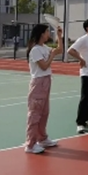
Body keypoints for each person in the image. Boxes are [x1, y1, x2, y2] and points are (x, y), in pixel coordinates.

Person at [25, 24, 64, 154]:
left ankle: (42, 138)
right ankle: (30, 144)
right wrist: (51, 56)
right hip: (38, 82)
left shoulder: (44, 47)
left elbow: (60, 50)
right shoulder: (35, 50)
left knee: (44, 112)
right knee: (35, 113)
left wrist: (59, 36)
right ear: (42, 33)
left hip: (46, 81)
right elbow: (44, 66)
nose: (48, 34)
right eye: (47, 31)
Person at [67, 18, 88, 134]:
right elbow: (70, 50)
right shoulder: (83, 39)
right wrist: (80, 59)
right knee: (85, 98)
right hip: (87, 73)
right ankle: (80, 123)